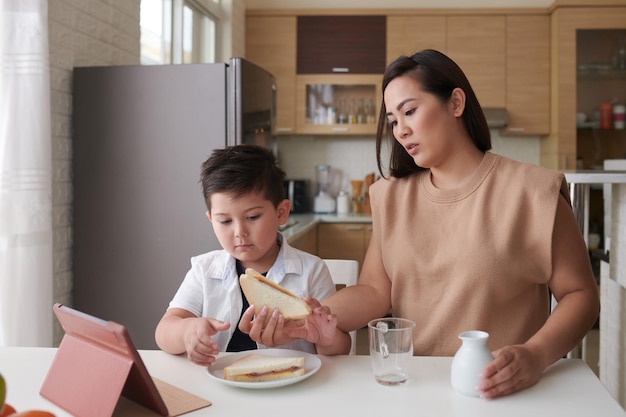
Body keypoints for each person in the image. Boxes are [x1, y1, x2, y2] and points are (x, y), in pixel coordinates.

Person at [264, 49, 600, 399]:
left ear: (455, 103)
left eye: (410, 111)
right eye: (393, 120)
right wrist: (310, 318)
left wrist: (536, 354)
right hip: (416, 388)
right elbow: (375, 293)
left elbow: (581, 296)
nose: (401, 130)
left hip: (506, 392)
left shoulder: (532, 192)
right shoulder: (390, 197)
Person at [155, 144, 350, 366]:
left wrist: (326, 338)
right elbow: (164, 331)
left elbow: (340, 349)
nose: (240, 233)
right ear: (211, 219)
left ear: (281, 212)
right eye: (225, 221)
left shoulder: (312, 271)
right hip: (221, 388)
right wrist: (187, 332)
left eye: (252, 217)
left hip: (292, 390)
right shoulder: (204, 270)